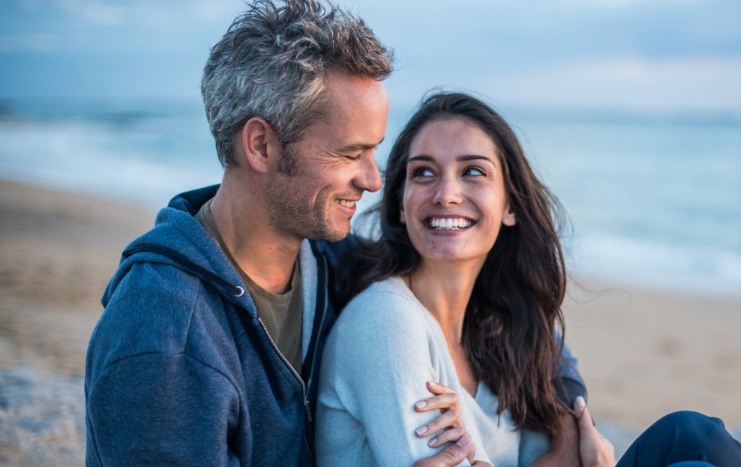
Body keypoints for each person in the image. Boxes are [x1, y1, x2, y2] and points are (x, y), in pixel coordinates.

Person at [84, 1, 478, 465]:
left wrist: (562, 408)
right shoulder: (165, 338)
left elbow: (485, 290)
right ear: (261, 145)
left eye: (375, 151)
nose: (373, 179)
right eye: (350, 153)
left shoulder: (333, 261)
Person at [315, 92, 741, 466]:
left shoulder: (501, 327)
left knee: (692, 435)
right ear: (401, 206)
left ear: (510, 207)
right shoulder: (388, 320)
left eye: (474, 172)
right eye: (423, 172)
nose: (445, 193)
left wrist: (571, 427)